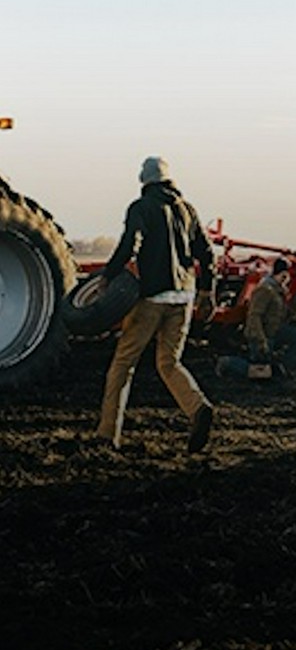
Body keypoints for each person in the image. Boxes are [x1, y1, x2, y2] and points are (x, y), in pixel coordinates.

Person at [94, 156, 215, 452]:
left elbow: (129, 245)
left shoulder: (141, 208)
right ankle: (198, 407)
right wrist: (206, 291)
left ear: (144, 181)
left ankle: (108, 434)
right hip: (183, 298)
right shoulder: (187, 210)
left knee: (123, 364)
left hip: (151, 298)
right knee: (170, 362)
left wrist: (107, 277)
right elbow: (207, 253)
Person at [216, 258, 296, 379]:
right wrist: (260, 340)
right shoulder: (265, 290)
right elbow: (254, 316)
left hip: (273, 330)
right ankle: (228, 363)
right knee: (260, 372)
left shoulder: (279, 290)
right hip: (261, 334)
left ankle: (284, 368)